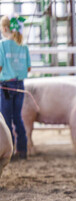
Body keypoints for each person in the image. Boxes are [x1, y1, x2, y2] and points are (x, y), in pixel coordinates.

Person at [0, 14, 30, 160]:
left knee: (6, 120)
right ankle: (23, 150)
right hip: (20, 85)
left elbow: (0, 67)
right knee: (18, 117)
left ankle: (10, 151)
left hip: (5, 86)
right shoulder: (24, 46)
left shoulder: (2, 45)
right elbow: (28, 68)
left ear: (5, 28)